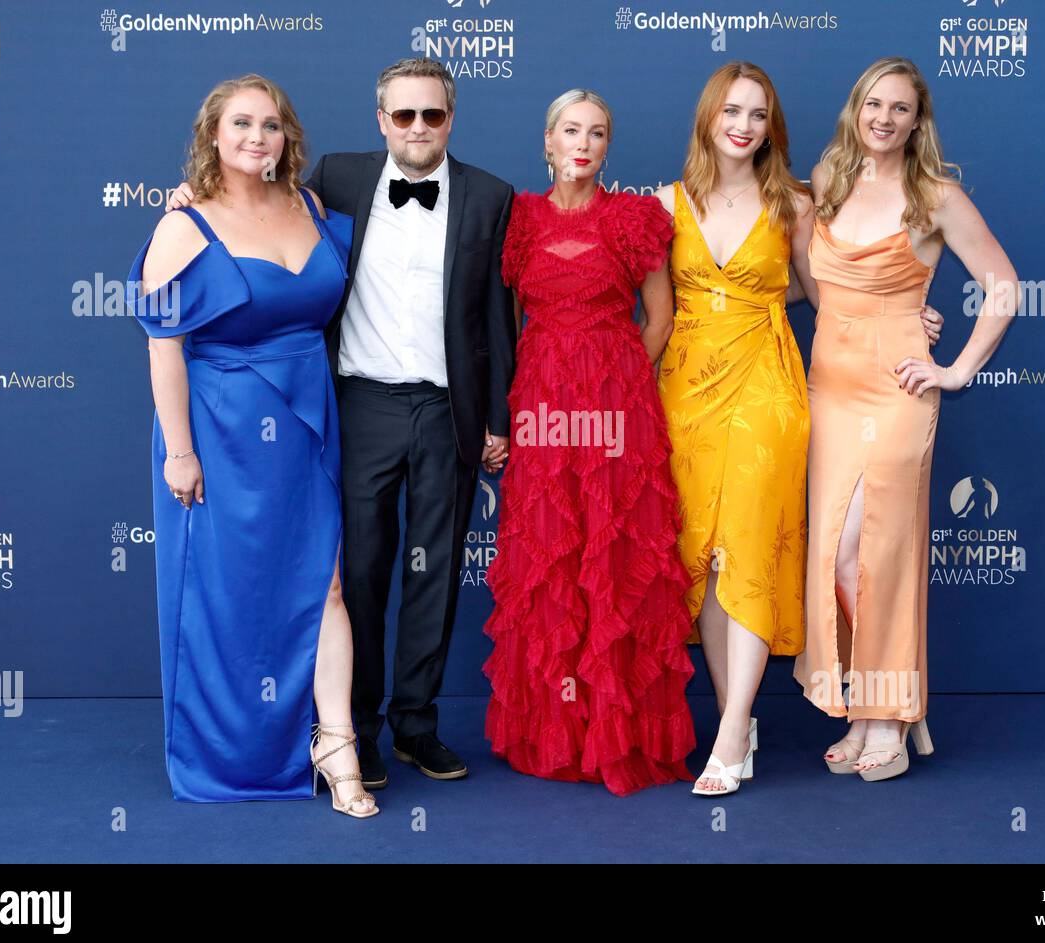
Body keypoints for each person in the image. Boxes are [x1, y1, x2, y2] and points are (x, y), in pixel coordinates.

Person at [167, 57, 517, 788]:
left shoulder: (491, 195)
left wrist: (495, 416)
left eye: (432, 115)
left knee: (436, 573)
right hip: (356, 405)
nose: (417, 128)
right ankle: (352, 732)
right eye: (403, 114)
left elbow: (495, 314)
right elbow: (249, 207)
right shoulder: (335, 179)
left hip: (446, 408)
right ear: (380, 118)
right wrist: (187, 197)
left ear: (450, 119)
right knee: (354, 573)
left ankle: (418, 725)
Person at [128, 74, 376, 817]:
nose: (256, 138)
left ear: (286, 138)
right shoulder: (182, 225)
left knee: (325, 584)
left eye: (270, 126)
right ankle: (234, 751)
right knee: (226, 594)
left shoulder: (310, 206)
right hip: (219, 431)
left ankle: (336, 744)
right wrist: (180, 451)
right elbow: (164, 347)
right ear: (212, 135)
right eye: (240, 124)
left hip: (308, 424)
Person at [794, 57, 1016, 781]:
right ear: (854, 109)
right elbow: (809, 282)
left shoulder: (936, 195)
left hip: (896, 388)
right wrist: (872, 310)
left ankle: (887, 713)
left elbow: (1004, 286)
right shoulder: (824, 183)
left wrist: (955, 369)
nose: (884, 119)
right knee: (831, 558)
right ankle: (873, 711)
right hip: (829, 384)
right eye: (873, 105)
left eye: (900, 108)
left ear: (918, 120)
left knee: (871, 552)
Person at [481, 89, 697, 796]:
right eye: (570, 130)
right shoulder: (517, 218)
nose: (583, 142)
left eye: (597, 132)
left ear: (609, 146)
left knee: (616, 550)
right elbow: (507, 328)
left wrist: (613, 378)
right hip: (540, 407)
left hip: (617, 412)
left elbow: (660, 318)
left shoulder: (636, 217)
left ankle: (619, 730)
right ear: (547, 141)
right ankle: (554, 728)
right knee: (549, 553)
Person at [654, 62, 814, 796]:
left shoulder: (796, 206)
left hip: (767, 389)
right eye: (732, 111)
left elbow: (834, 299)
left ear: (770, 127)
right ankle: (737, 722)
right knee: (709, 562)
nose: (744, 125)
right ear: (708, 118)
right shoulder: (664, 204)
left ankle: (727, 735)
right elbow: (641, 308)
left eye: (758, 114)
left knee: (748, 546)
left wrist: (908, 320)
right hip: (683, 396)